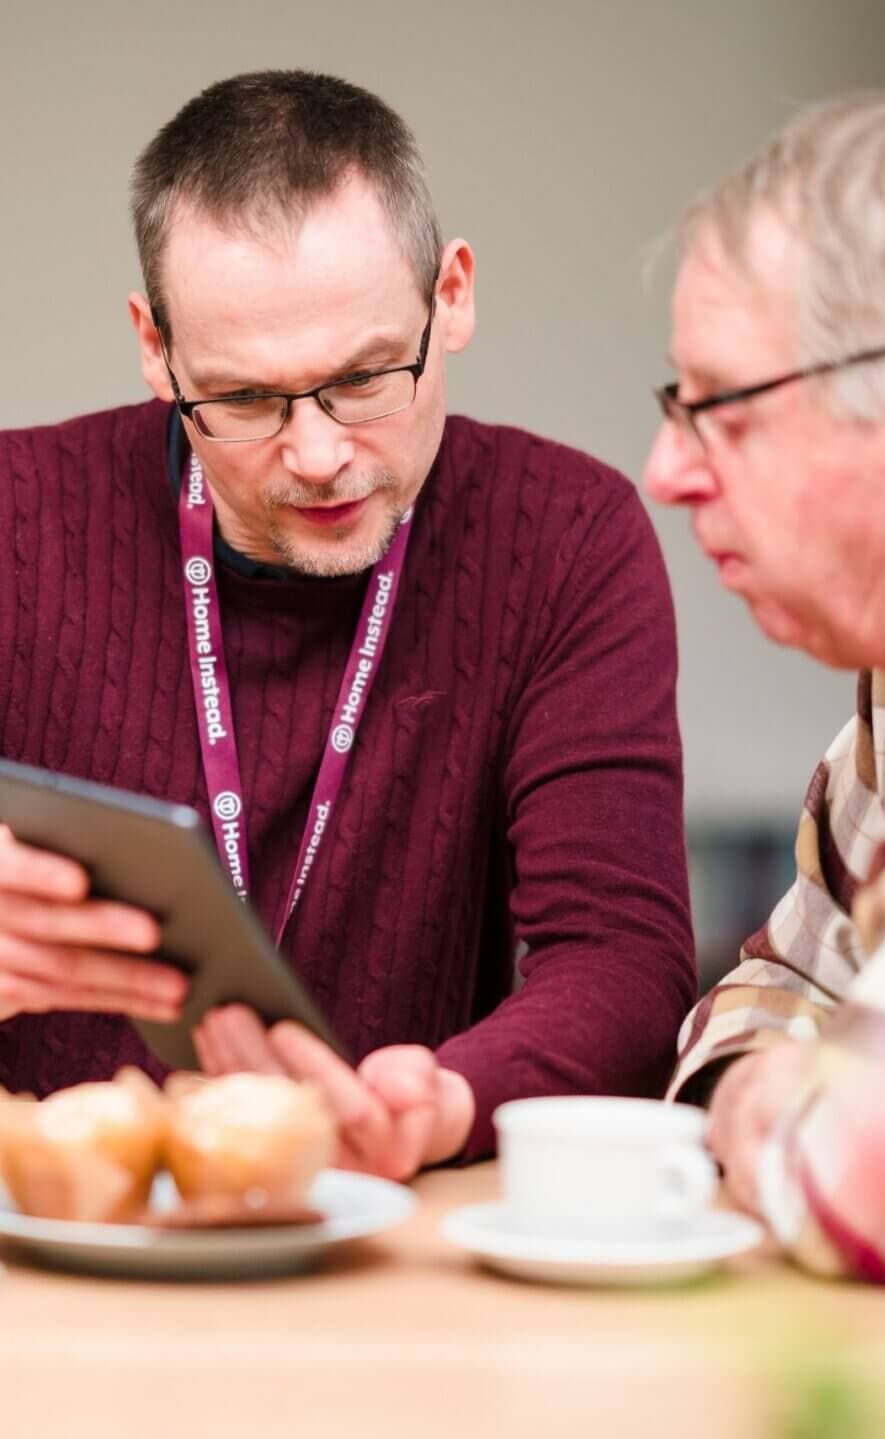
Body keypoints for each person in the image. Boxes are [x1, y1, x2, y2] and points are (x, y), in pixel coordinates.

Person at [0, 70, 695, 1179]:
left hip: (397, 1235)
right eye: (243, 400)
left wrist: (444, 1100)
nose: (318, 455)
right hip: (52, 1242)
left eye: (367, 377)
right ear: (154, 347)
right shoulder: (14, 518)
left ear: (452, 293)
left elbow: (618, 957)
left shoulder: (565, 534)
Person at [645, 89, 885, 1281]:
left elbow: (864, 1186)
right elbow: (771, 983)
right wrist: (776, 1078)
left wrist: (763, 1109)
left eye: (720, 410)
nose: (664, 471)